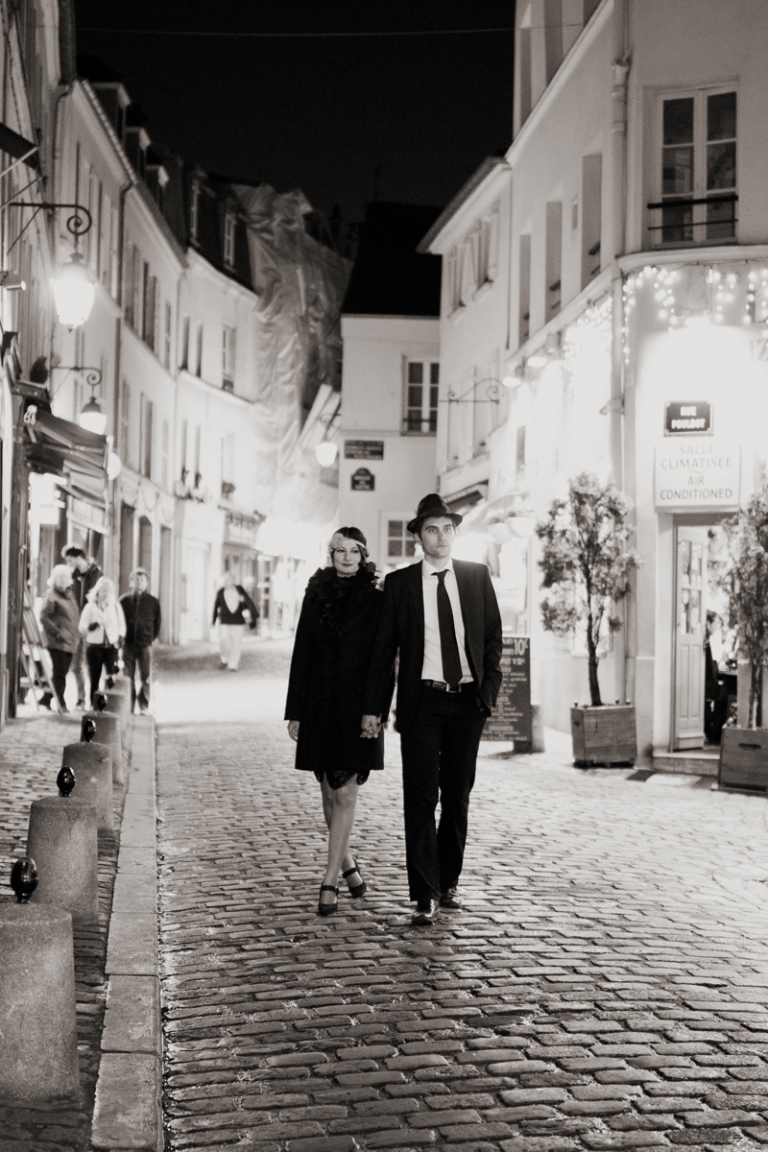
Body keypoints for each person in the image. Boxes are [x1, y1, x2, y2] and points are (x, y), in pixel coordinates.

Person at [363, 493, 503, 927]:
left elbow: (493, 638)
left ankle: (448, 882)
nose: (440, 537)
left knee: (457, 796)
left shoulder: (476, 576)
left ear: (454, 534)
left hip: (467, 702)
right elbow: (383, 651)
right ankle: (424, 893)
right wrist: (373, 709)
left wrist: (488, 692)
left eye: (446, 529)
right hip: (422, 702)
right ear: (419, 538)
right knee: (421, 798)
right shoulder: (401, 585)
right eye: (431, 530)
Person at [284, 528, 390, 917]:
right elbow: (302, 652)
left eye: (353, 551)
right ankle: (347, 863)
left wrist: (375, 710)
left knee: (346, 793)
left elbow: (382, 659)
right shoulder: (315, 594)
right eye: (339, 550)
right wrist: (295, 710)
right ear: (330, 554)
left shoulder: (377, 599)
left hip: (359, 707)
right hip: (319, 705)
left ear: (363, 556)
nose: (346, 557)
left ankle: (329, 880)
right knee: (330, 793)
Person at [63, 545, 102, 709]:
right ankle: (81, 698)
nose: (69, 564)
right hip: (75, 626)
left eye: (70, 560)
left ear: (78, 557)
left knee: (93, 665)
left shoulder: (96, 575)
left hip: (91, 626)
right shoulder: (72, 576)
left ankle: (94, 699)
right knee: (76, 664)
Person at [38, 564, 80, 712]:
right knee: (60, 674)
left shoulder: (69, 595)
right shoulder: (51, 596)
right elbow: (43, 617)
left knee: (61, 673)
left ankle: (46, 698)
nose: (63, 579)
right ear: (54, 579)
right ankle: (61, 704)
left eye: (65, 577)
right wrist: (57, 632)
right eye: (60, 577)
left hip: (70, 641)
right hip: (57, 641)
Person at [79, 577, 126, 708]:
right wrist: (92, 626)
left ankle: (110, 705)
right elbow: (82, 627)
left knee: (112, 676)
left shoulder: (115, 606)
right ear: (97, 592)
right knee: (95, 677)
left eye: (109, 591)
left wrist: (120, 637)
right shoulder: (90, 607)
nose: (106, 594)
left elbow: (121, 625)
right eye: (104, 590)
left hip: (111, 646)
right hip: (95, 647)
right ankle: (94, 704)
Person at [119, 568, 161, 715]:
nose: (139, 583)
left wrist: (149, 638)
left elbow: (157, 624)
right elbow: (119, 622)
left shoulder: (153, 602)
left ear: (147, 583)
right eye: (136, 580)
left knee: (146, 676)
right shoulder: (123, 601)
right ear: (130, 582)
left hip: (145, 645)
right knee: (127, 676)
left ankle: (144, 704)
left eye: (142, 580)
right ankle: (129, 706)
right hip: (128, 645)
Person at [212, 571, 259, 671]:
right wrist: (213, 620)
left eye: (228, 580)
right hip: (224, 620)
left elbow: (248, 602)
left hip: (238, 620)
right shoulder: (220, 592)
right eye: (224, 580)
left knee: (236, 643)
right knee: (223, 639)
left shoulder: (240, 589)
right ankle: (224, 659)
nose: (225, 582)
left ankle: (232, 665)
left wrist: (243, 600)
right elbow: (216, 606)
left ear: (233, 581)